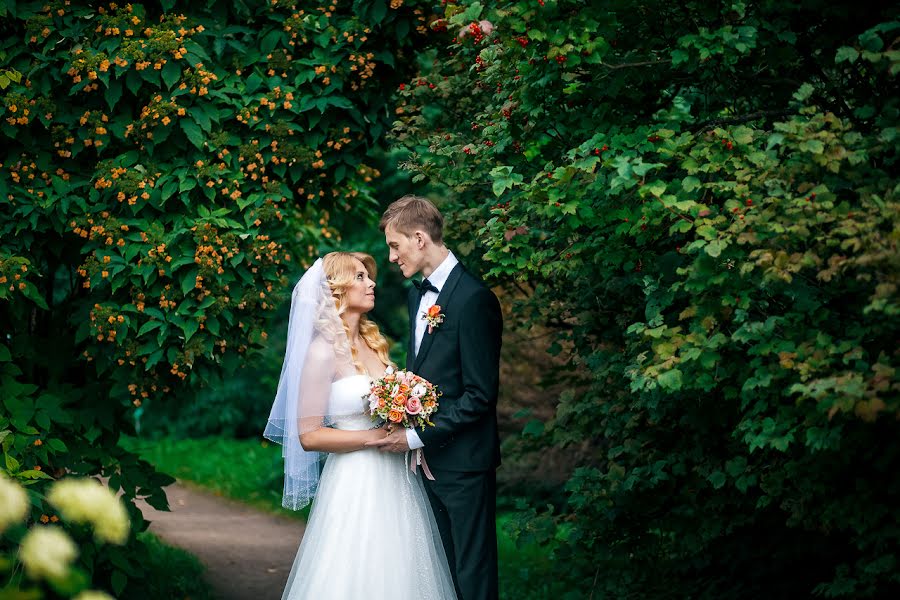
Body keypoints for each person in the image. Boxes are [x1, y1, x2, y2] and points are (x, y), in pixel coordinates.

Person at [264, 251, 457, 600]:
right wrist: (373, 437)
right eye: (359, 277)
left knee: (401, 569)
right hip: (354, 480)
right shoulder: (321, 353)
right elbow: (308, 435)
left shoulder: (374, 344)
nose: (371, 283)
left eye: (368, 277)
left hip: (396, 479)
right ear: (336, 290)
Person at [368, 196, 503, 600]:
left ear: (420, 238)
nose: (392, 257)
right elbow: (422, 376)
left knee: (472, 574)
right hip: (425, 463)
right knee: (438, 573)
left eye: (395, 246)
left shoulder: (475, 298)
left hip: (464, 464)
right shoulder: (416, 296)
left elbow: (481, 396)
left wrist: (415, 437)